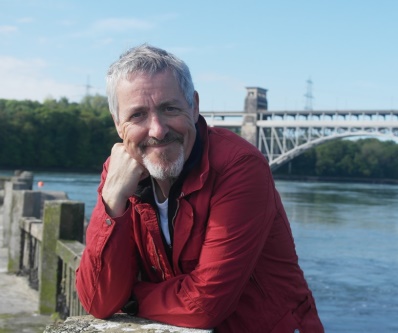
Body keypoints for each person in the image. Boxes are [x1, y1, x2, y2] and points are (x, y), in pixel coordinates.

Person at [75, 44, 324, 333]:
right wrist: (112, 201)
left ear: (194, 106)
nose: (157, 130)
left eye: (170, 108)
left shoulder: (239, 166)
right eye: (138, 115)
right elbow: (97, 300)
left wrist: (130, 298)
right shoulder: (119, 172)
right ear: (119, 125)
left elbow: (204, 305)